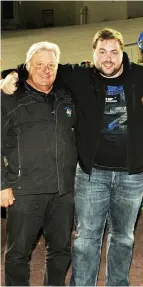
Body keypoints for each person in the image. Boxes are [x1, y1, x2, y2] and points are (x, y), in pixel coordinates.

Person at [1, 28, 143, 286]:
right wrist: (10, 74)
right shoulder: (79, 76)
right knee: (85, 240)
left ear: (122, 53)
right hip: (91, 174)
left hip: (132, 175)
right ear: (92, 54)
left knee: (123, 237)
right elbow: (36, 70)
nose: (108, 58)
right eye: (102, 52)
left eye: (114, 52)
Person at [1, 42, 76, 286]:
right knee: (18, 254)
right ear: (27, 66)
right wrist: (2, 184)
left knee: (61, 250)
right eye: (39, 65)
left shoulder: (65, 96)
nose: (46, 70)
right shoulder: (10, 98)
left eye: (51, 65)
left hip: (62, 191)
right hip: (24, 191)